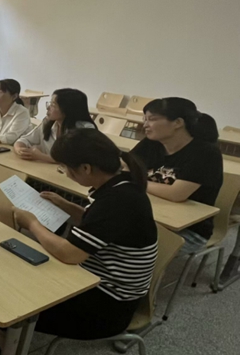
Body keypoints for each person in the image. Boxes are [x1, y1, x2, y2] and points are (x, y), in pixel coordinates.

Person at [13, 128, 157, 341]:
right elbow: (99, 225)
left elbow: (70, 254)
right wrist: (66, 205)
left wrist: (32, 224)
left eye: (65, 167)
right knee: (20, 274)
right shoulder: (121, 182)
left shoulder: (117, 200)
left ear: (86, 168)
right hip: (96, 281)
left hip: (108, 305)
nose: (65, 173)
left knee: (12, 306)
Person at [131, 97, 223, 255]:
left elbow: (176, 194)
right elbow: (123, 166)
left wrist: (136, 180)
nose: (145, 124)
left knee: (119, 242)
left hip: (188, 231)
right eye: (144, 119)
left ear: (178, 123)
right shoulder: (151, 143)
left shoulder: (206, 153)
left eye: (152, 119)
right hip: (150, 215)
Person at [14, 88, 95, 163]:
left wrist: (41, 156)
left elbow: (76, 159)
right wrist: (20, 149)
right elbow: (24, 140)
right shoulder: (48, 123)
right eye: (50, 103)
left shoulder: (85, 129)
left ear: (67, 109)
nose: (48, 107)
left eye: (53, 105)